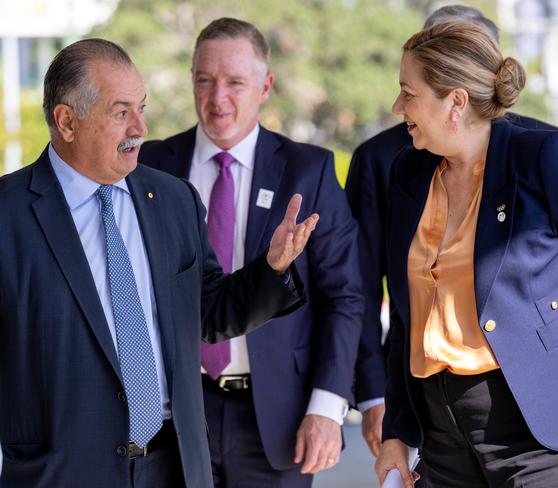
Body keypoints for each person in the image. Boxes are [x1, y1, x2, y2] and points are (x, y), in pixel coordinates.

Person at [0, 38, 319, 488]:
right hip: (60, 472)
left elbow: (207, 313)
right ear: (67, 122)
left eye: (142, 108)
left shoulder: (173, 200)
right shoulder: (8, 215)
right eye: (121, 112)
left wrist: (271, 269)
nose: (141, 128)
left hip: (174, 467)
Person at [374, 22, 558, 488]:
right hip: (441, 434)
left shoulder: (543, 158)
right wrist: (396, 432)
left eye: (408, 93)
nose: (398, 107)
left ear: (456, 102)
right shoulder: (408, 170)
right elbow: (407, 315)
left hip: (541, 437)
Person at [139, 18, 363, 488]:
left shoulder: (310, 170)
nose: (218, 97)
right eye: (204, 80)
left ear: (265, 86)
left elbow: (343, 296)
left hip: (278, 418)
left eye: (235, 82)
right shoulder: (151, 167)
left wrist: (327, 406)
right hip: (173, 416)